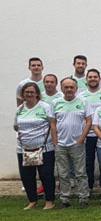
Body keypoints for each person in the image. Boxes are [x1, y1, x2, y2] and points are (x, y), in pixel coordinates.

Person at [15, 82, 56, 210]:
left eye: (32, 92)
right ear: (23, 94)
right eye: (26, 92)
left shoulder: (45, 107)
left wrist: (55, 141)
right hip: (24, 149)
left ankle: (49, 201)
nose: (29, 94)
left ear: (37, 93)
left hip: (44, 148)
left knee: (46, 174)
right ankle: (32, 201)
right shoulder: (20, 109)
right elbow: (16, 126)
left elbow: (53, 124)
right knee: (27, 176)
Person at [52, 77, 92, 209]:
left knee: (80, 172)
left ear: (76, 88)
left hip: (77, 143)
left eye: (71, 87)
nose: (69, 90)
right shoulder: (56, 102)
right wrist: (55, 140)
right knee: (63, 173)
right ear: (62, 88)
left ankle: (83, 198)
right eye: (66, 87)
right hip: (61, 144)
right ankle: (65, 199)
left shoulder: (83, 101)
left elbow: (89, 121)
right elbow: (53, 123)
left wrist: (82, 138)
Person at [80, 69, 101, 190]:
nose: (93, 79)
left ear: (99, 79)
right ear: (87, 79)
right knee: (88, 162)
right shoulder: (81, 96)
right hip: (88, 135)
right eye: (90, 77)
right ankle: (89, 186)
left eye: (95, 77)